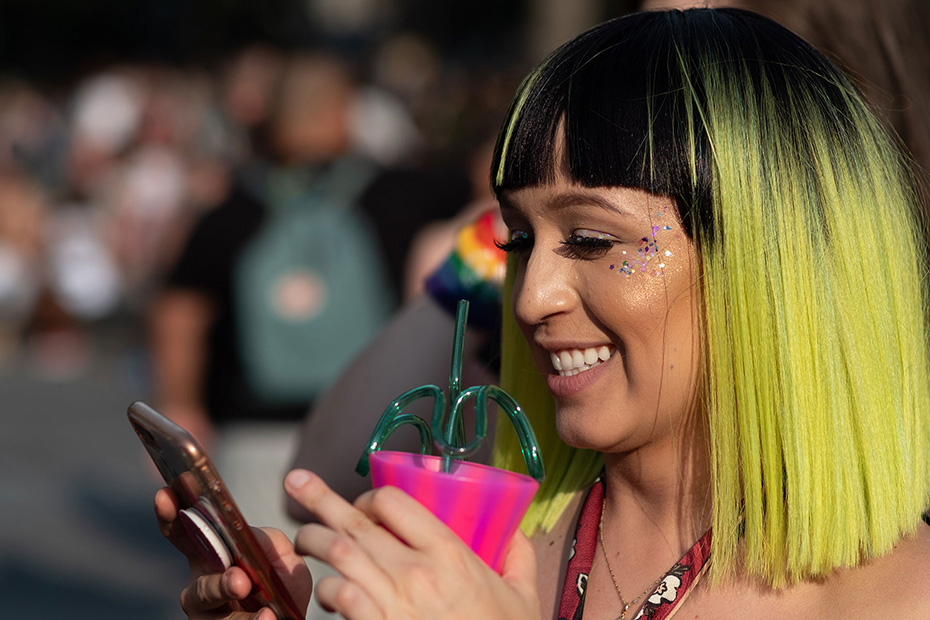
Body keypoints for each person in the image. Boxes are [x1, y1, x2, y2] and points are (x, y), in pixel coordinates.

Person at [155, 8, 930, 620]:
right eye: (519, 240)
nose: (529, 297)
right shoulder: (480, 548)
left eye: (592, 238)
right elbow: (316, 466)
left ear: (775, 259)